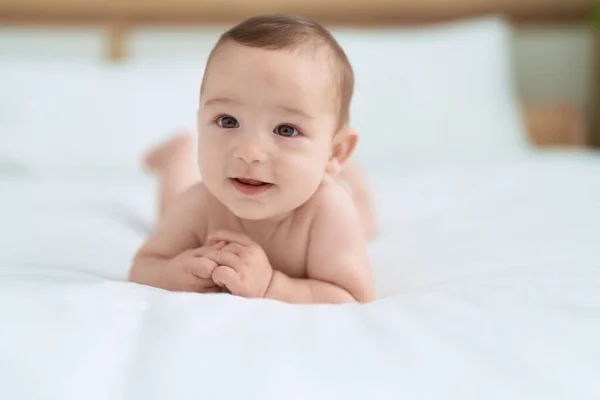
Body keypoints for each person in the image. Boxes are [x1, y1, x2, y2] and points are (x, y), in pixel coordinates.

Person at [129, 14, 376, 303]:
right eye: (228, 121)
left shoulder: (329, 212)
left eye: (286, 130)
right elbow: (143, 267)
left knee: (365, 220)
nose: (249, 152)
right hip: (196, 204)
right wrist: (170, 274)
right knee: (171, 208)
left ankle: (353, 178)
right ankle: (177, 156)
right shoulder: (200, 203)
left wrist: (272, 286)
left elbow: (352, 297)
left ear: (336, 152)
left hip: (339, 207)